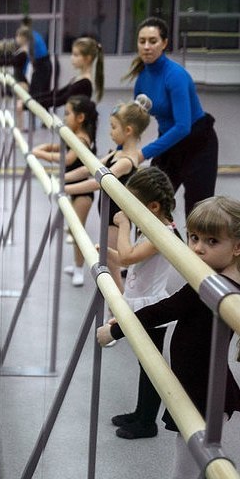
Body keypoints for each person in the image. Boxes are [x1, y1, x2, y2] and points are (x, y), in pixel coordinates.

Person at [97, 196, 240, 478]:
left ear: (237, 247)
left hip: (203, 393)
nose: (198, 248)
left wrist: (115, 329)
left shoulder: (211, 286)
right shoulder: (218, 276)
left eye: (212, 242)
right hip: (201, 385)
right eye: (194, 238)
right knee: (196, 459)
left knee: (188, 464)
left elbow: (164, 310)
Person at [105, 166, 178, 439]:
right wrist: (106, 252)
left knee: (151, 367)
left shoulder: (162, 233)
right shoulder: (150, 227)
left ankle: (147, 422)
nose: (128, 211)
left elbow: (128, 257)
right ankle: (140, 413)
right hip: (141, 302)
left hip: (152, 308)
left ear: (153, 206)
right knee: (144, 364)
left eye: (132, 206)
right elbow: (130, 260)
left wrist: (123, 225)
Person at [124, 16, 218, 218]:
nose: (147, 47)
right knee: (149, 203)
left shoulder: (175, 75)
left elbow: (183, 126)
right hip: (170, 143)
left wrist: (142, 154)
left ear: (164, 43)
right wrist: (120, 150)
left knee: (196, 214)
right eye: (142, 41)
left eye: (153, 41)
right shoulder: (142, 79)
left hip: (198, 144)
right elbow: (134, 122)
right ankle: (164, 238)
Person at [64, 94, 152, 290]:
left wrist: (65, 188)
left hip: (115, 218)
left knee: (111, 266)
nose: (110, 132)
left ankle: (119, 302)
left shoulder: (126, 161)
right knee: (107, 262)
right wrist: (64, 177)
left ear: (128, 130)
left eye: (113, 127)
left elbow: (97, 183)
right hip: (107, 213)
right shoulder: (116, 153)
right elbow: (88, 168)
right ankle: (115, 302)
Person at [32, 95, 98, 286]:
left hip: (83, 193)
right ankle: (76, 265)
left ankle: (80, 269)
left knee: (78, 232)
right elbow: (60, 147)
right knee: (73, 229)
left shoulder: (82, 139)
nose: (65, 117)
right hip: (74, 189)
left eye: (68, 113)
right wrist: (46, 147)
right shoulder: (74, 135)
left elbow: (68, 159)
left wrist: (40, 154)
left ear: (80, 118)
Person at [33, 36, 104, 108]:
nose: (72, 58)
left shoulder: (85, 83)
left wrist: (32, 103)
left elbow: (60, 100)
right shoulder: (78, 78)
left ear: (88, 58)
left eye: (76, 55)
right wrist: (32, 98)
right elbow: (57, 94)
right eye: (72, 54)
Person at [0, 26, 31, 131]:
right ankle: (19, 127)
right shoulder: (20, 51)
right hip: (18, 80)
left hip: (22, 82)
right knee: (18, 107)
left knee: (20, 107)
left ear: (23, 37)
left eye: (18, 36)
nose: (16, 38)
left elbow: (12, 62)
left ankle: (20, 128)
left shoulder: (24, 52)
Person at [21, 16, 52, 97]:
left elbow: (30, 55)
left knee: (37, 92)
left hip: (42, 65)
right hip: (46, 63)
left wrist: (24, 72)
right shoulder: (36, 34)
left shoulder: (30, 36)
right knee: (42, 92)